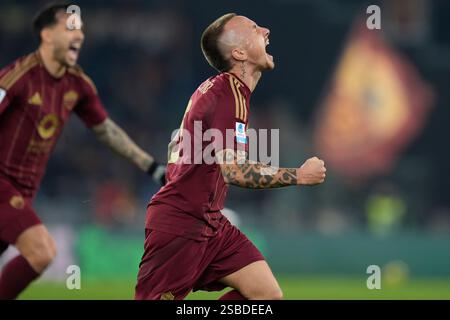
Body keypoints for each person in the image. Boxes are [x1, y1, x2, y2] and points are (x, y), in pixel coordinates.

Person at [135, 13, 326, 300]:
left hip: (211, 223)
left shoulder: (217, 89)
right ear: (238, 53)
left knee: (265, 296)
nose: (266, 29)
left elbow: (176, 144)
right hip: (182, 225)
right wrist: (299, 175)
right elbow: (234, 171)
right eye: (254, 28)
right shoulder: (229, 94)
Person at [0, 3, 165, 299]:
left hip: (25, 192)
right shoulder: (17, 76)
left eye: (81, 30)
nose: (80, 35)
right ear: (48, 34)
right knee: (42, 252)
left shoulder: (78, 85)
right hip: (2, 185)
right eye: (71, 28)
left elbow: (106, 130)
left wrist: (151, 166)